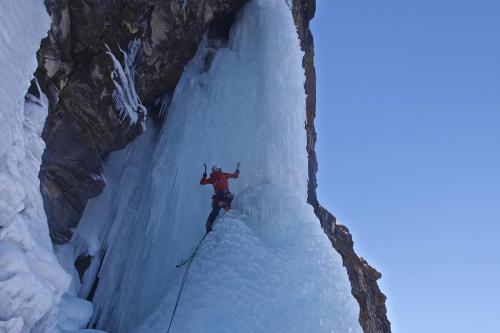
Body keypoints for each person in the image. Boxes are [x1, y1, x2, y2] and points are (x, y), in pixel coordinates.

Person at [200, 163, 240, 233]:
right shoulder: (224, 174)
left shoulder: (212, 178)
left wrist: (204, 175)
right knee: (227, 203)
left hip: (218, 196)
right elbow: (236, 176)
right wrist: (237, 169)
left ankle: (209, 223)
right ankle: (227, 208)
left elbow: (202, 182)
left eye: (213, 170)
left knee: (215, 210)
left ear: (216, 169)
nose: (212, 171)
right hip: (227, 195)